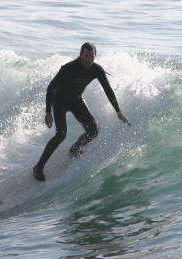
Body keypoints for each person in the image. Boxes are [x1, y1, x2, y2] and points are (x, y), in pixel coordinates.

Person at [33, 42, 131, 181]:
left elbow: (108, 90)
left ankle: (75, 149)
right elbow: (51, 88)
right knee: (61, 134)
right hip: (60, 101)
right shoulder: (68, 68)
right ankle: (38, 167)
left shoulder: (97, 70)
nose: (89, 59)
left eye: (92, 56)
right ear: (80, 55)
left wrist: (118, 112)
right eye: (86, 55)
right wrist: (48, 112)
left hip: (76, 101)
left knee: (93, 131)